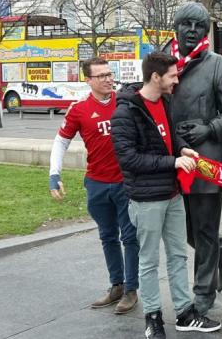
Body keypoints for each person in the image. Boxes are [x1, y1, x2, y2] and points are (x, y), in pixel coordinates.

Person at [111, 52, 221, 338]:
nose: (177, 80)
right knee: (149, 261)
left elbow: (169, 137)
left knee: (178, 256)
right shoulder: (126, 112)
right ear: (156, 77)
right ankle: (153, 317)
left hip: (172, 194)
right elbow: (129, 159)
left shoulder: (166, 102)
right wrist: (172, 162)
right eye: (172, 75)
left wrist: (182, 148)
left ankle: (185, 313)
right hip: (147, 200)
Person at [48, 57, 139, 315]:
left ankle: (131, 289)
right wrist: (54, 174)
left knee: (130, 237)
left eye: (110, 74)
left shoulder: (125, 101)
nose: (108, 79)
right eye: (101, 76)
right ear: (88, 80)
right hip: (97, 184)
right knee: (107, 236)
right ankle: (117, 285)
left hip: (125, 183)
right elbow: (61, 141)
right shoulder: (78, 109)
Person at [169, 2, 222, 315]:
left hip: (206, 160)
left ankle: (203, 292)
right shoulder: (163, 63)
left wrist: (207, 128)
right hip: (172, 158)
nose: (192, 31)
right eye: (186, 24)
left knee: (204, 229)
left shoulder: (219, 66)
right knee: (187, 230)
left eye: (199, 26)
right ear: (176, 27)